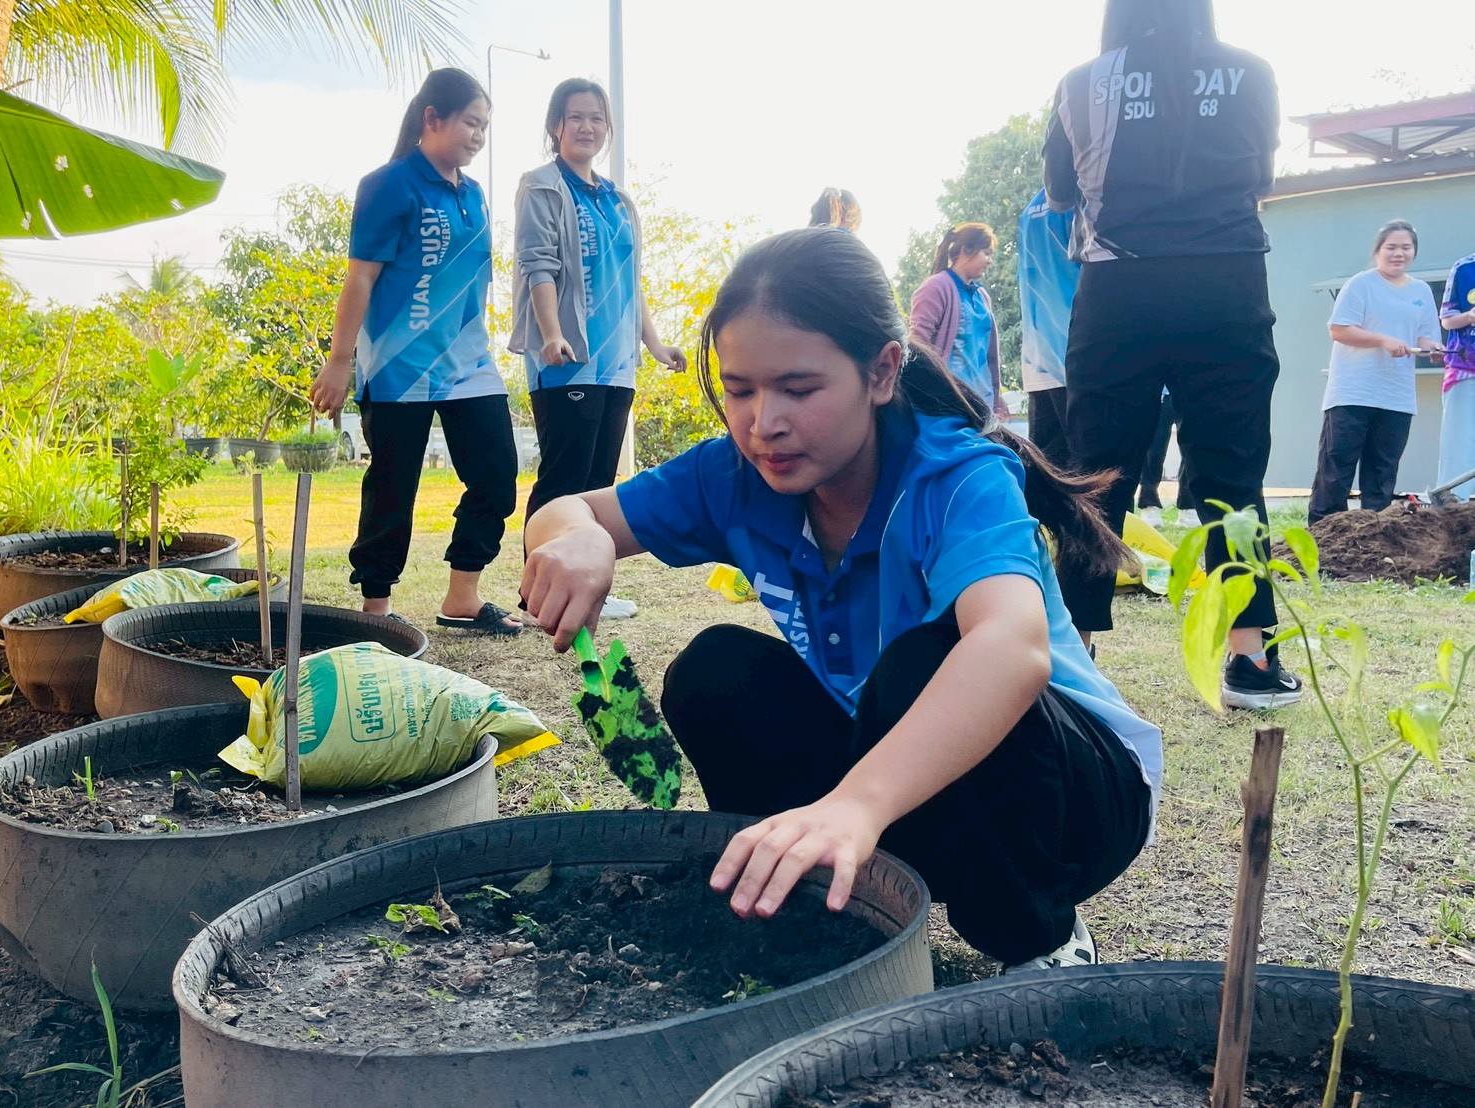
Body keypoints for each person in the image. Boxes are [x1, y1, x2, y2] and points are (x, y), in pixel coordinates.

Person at [521, 228, 1161, 972]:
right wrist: (581, 538)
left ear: (881, 372)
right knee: (715, 670)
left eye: (798, 389)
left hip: (1072, 802)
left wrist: (857, 804)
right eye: (739, 390)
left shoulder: (956, 477)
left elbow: (1010, 651)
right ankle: (803, 906)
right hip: (897, 781)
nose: (764, 422)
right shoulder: (735, 476)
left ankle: (1040, 940)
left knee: (925, 663)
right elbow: (566, 512)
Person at [1043, 0, 1301, 708]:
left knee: (1095, 474)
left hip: (1118, 291)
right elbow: (1259, 177)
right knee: (1232, 474)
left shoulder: (1082, 82)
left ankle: (1073, 652)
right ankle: (1250, 659)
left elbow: (1060, 192)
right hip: (1226, 286)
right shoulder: (1251, 72)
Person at [311, 68, 522, 634]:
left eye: (485, 126)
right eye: (470, 122)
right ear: (433, 118)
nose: (479, 136)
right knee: (392, 489)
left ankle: (463, 597)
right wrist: (340, 360)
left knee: (497, 476)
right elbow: (360, 279)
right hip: (398, 366)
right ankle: (376, 610)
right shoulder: (388, 185)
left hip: (468, 363)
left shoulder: (473, 194)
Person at [510, 78, 687, 621]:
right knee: (564, 480)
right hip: (567, 359)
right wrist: (551, 333)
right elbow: (537, 265)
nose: (587, 127)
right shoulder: (541, 185)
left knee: (596, 487)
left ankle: (585, 587)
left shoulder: (617, 199)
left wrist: (654, 344)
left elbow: (631, 279)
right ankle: (536, 592)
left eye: (596, 118)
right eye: (575, 117)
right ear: (555, 126)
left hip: (616, 363)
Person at [1309, 221, 1441, 524]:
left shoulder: (1421, 291)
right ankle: (1324, 532)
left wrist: (1433, 348)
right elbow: (1339, 330)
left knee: (1382, 472)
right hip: (1353, 392)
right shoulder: (1361, 284)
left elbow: (1425, 337)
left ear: (1414, 252)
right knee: (1336, 469)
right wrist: (1382, 340)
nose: (1399, 253)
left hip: (1397, 396)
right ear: (1377, 251)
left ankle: (1375, 532)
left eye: (1406, 247)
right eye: (1391, 247)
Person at [909, 223, 1010, 419]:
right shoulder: (936, 287)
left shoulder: (982, 295)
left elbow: (985, 354)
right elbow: (917, 345)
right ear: (966, 250)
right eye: (986, 253)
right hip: (949, 404)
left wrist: (997, 396)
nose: (990, 261)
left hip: (983, 403)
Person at [1017, 188, 1077, 472]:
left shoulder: (1029, 211)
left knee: (1046, 464)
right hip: (1076, 356)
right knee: (1085, 466)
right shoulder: (1082, 201)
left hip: (1038, 358)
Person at [1440, 249, 1475, 501]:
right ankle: (1452, 509)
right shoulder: (1464, 268)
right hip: (1465, 370)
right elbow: (1447, 319)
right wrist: (1469, 316)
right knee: (1458, 447)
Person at [1135, 391, 1199, 528]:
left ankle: (1189, 507)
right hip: (1160, 393)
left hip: (1186, 391)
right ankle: (1149, 505)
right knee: (1153, 450)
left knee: (1191, 449)